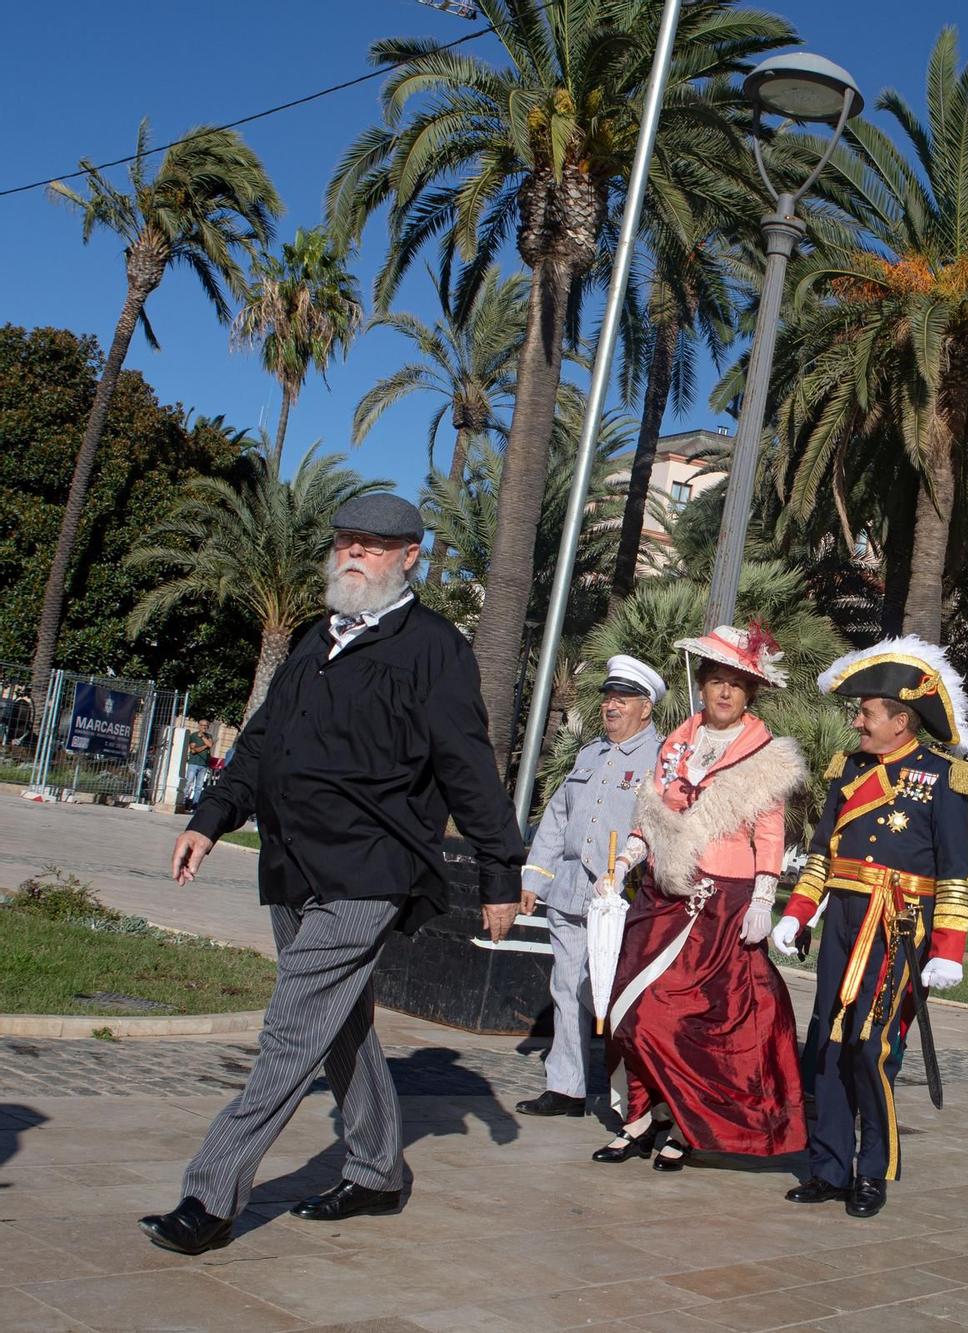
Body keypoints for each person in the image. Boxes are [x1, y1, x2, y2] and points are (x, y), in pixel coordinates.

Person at [140, 495, 524, 1255]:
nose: (354, 555)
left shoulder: (433, 648)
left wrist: (500, 869)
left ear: (412, 556)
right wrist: (209, 818)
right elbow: (259, 744)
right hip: (294, 862)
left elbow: (467, 764)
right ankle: (379, 1168)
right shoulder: (318, 638)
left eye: (374, 546)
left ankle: (210, 1195)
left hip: (371, 868)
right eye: (346, 540)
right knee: (338, 1021)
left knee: (290, 1029)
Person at [771, 637, 968, 1219]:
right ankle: (830, 1167)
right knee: (831, 1046)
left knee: (871, 1048)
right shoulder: (848, 770)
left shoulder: (943, 778)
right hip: (841, 922)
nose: (857, 721)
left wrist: (949, 949)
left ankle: (873, 1171)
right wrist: (798, 912)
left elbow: (955, 873)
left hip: (900, 930)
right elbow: (821, 857)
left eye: (866, 713)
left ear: (901, 721)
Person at [594, 626, 805, 1170]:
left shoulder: (766, 756)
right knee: (628, 1007)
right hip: (662, 895)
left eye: (736, 685)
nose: (725, 693)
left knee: (688, 1021)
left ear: (750, 694)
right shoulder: (677, 741)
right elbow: (652, 816)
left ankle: (683, 1127)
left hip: (721, 904)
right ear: (703, 687)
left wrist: (764, 897)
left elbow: (771, 833)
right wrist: (624, 863)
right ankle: (640, 1118)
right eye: (716, 682)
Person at [513, 655, 665, 1121]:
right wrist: (535, 878)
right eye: (608, 698)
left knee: (621, 997)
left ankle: (635, 1097)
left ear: (646, 708)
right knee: (566, 987)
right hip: (569, 891)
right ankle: (567, 1087)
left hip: (622, 900)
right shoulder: (589, 755)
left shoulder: (661, 760)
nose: (611, 706)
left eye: (623, 699)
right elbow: (558, 817)